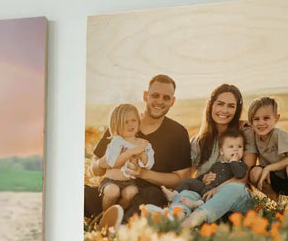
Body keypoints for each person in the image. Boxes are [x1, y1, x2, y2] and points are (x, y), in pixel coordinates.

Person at [86, 74, 192, 220]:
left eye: (166, 98)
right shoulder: (122, 123)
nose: (160, 101)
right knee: (83, 195)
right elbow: (94, 169)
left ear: (172, 102)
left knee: (151, 196)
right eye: (155, 95)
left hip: (146, 195)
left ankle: (119, 224)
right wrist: (103, 162)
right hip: (112, 189)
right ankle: (107, 218)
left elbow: (181, 179)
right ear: (145, 96)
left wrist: (142, 173)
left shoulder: (177, 133)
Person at [179, 84, 255, 228]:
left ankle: (192, 221)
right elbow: (188, 176)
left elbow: (245, 177)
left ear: (237, 110)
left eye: (231, 106)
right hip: (206, 197)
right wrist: (203, 179)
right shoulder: (198, 141)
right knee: (186, 194)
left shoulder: (245, 133)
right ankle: (173, 218)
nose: (224, 110)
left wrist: (217, 189)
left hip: (235, 202)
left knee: (235, 188)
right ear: (211, 105)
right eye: (220, 104)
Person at [150, 129, 247, 221]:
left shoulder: (241, 165)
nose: (235, 150)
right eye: (231, 147)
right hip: (206, 187)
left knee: (210, 196)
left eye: (239, 147)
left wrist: (234, 162)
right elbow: (206, 174)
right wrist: (203, 179)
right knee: (189, 181)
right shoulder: (217, 164)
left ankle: (197, 204)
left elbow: (240, 174)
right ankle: (174, 195)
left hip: (219, 193)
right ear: (221, 151)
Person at [243, 96, 288, 198]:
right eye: (256, 119)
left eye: (266, 118)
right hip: (274, 179)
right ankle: (278, 205)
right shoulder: (253, 134)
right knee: (254, 172)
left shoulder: (279, 134)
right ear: (251, 121)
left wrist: (268, 168)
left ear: (276, 119)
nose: (261, 123)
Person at [99, 104, 153, 212]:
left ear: (138, 122)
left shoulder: (143, 144)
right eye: (125, 122)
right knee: (112, 191)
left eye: (133, 120)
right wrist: (132, 151)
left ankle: (118, 213)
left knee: (131, 192)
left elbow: (149, 164)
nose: (130, 124)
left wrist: (142, 154)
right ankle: (105, 215)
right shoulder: (116, 141)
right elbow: (112, 162)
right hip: (111, 181)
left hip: (129, 182)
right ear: (116, 125)